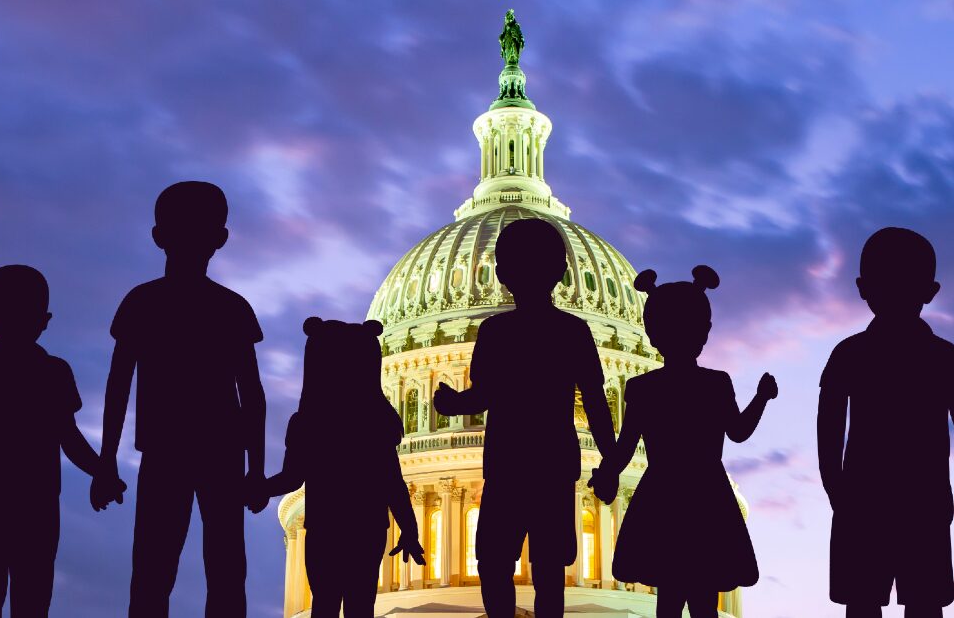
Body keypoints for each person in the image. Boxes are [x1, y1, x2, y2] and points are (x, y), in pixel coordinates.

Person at [91, 181, 268, 618]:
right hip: (220, 452)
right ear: (221, 239)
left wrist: (106, 459)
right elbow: (253, 396)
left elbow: (119, 387)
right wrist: (257, 468)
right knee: (225, 573)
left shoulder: (142, 302)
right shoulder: (232, 308)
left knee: (153, 572)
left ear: (158, 236)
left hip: (165, 449)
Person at [433, 218, 616, 618]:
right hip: (553, 463)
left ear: (502, 273)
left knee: (494, 564)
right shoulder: (573, 330)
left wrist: (450, 405)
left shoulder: (497, 331)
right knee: (549, 569)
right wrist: (612, 461)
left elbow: (482, 395)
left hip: (508, 463)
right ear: (563, 271)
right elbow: (598, 404)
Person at [589, 266, 776, 618]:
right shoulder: (716, 383)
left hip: (663, 494)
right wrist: (761, 398)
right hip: (706, 494)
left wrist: (606, 475)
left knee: (669, 596)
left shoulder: (643, 388)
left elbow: (624, 449)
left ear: (653, 334)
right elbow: (738, 432)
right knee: (704, 596)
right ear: (703, 332)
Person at [0, 265, 124, 617]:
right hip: (20, 511)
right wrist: (101, 471)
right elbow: (70, 437)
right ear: (44, 320)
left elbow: (67, 436)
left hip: (9, 511)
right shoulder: (48, 375)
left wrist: (102, 471)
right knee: (8, 602)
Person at [818, 227, 954, 618]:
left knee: (864, 603)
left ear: (863, 288)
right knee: (923, 603)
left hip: (863, 499)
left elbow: (828, 433)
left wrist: (837, 493)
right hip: (922, 499)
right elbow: (828, 430)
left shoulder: (848, 354)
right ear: (931, 290)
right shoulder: (943, 357)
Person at [263, 317, 424, 617]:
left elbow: (290, 478)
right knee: (360, 605)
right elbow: (393, 483)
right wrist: (410, 528)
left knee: (323, 603)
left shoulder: (308, 422)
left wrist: (255, 489)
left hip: (327, 526)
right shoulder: (377, 422)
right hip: (366, 527)